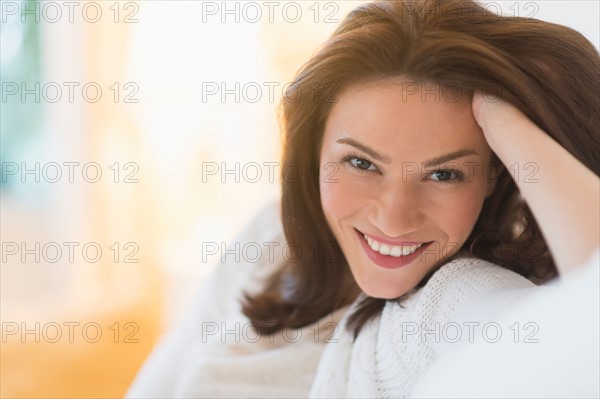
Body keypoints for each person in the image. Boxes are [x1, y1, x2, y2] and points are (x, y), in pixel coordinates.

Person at [126, 0, 599, 397]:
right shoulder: (270, 239)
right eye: (361, 163)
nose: (393, 218)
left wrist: (505, 117)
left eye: (444, 173)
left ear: (495, 174)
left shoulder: (450, 302)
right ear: (313, 151)